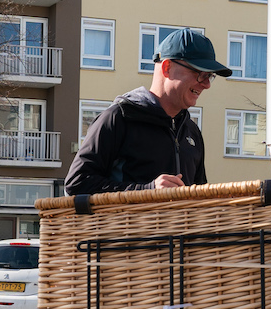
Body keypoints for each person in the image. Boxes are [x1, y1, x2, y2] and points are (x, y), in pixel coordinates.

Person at [66, 27, 225, 195]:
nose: (206, 84)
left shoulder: (192, 132)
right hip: (126, 222)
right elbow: (77, 184)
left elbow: (199, 197)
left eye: (210, 76)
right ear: (167, 68)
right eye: (200, 74)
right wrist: (147, 190)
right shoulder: (118, 118)